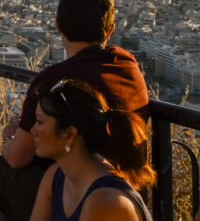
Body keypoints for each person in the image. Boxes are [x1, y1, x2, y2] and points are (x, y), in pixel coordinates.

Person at [0, 0, 150, 221]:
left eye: (39, 122)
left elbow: (16, 158)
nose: (36, 128)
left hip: (83, 188)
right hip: (130, 183)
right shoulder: (128, 66)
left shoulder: (57, 81)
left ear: (58, 26)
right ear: (110, 29)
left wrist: (7, 138)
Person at [28, 80, 154, 221]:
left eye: (40, 122)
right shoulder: (55, 177)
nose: (33, 130)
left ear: (69, 134)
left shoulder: (105, 201)